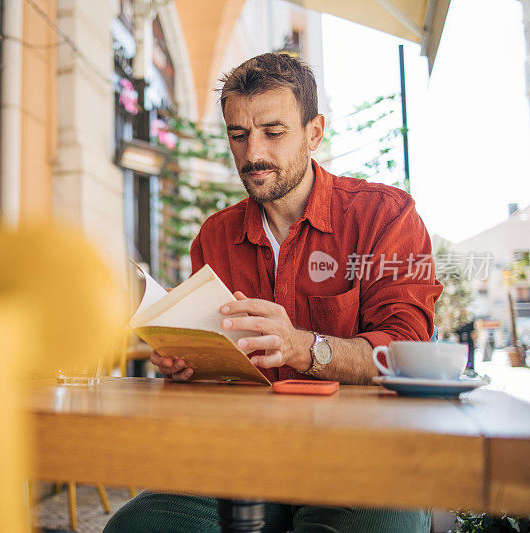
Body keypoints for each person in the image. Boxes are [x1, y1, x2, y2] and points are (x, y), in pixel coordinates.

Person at [105, 53, 442, 533]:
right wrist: (193, 362)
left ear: (314, 132)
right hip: (240, 462)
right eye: (238, 135)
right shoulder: (215, 237)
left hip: (362, 462)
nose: (252, 153)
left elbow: (409, 352)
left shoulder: (385, 217)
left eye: (273, 132)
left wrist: (303, 347)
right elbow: (223, 378)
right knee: (136, 527)